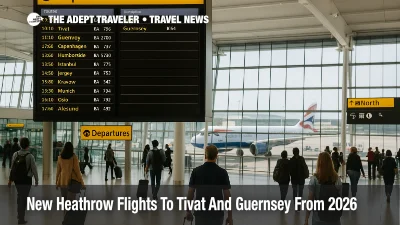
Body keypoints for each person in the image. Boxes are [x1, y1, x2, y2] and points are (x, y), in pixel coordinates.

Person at [185, 145, 232, 225]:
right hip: (217, 212)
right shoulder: (222, 172)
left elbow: (191, 193)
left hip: (200, 211)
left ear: (205, 155)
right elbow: (227, 195)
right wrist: (230, 216)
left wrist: (188, 211)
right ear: (216, 156)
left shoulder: (196, 171)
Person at [304, 152, 342, 225]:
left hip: (319, 217)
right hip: (334, 217)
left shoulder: (314, 179)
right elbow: (340, 197)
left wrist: (306, 219)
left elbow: (310, 200)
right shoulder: (336, 178)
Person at [8, 138, 39, 225]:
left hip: (17, 179)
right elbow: (34, 169)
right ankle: (21, 218)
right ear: (28, 145)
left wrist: (10, 179)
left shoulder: (15, 154)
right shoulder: (30, 156)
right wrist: (36, 180)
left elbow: (12, 168)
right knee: (24, 198)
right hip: (26, 180)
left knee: (20, 195)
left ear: (20, 144)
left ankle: (19, 214)